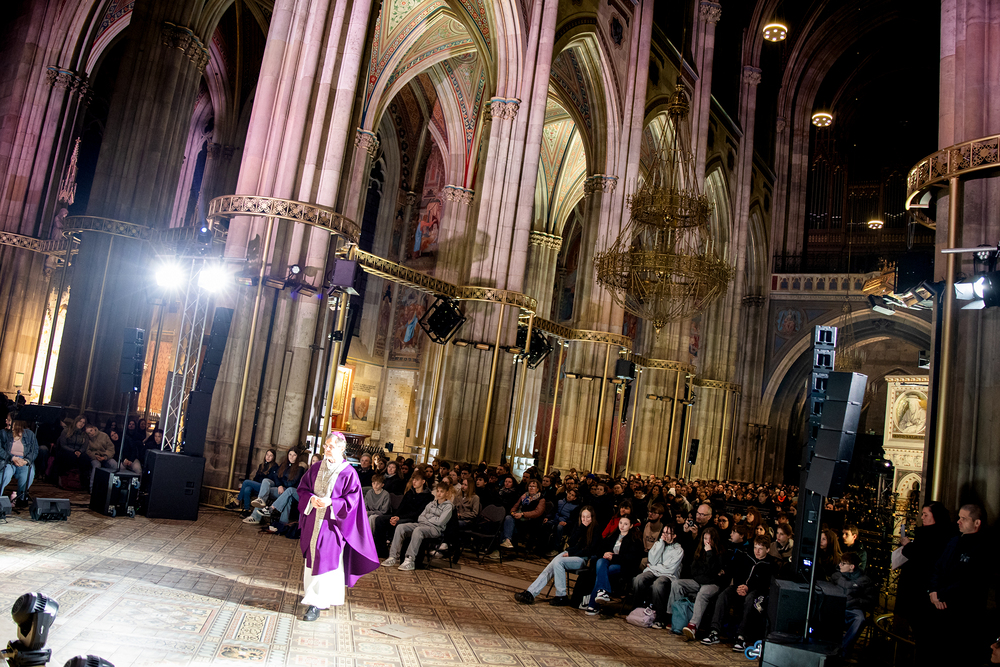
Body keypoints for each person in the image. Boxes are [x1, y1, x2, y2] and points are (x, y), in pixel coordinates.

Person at [296, 431, 379, 621]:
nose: (326, 449)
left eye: (331, 446)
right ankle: (316, 597)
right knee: (313, 559)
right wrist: (311, 499)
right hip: (313, 521)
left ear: (342, 448)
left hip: (332, 525)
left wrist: (331, 503)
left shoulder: (349, 473)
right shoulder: (316, 467)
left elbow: (353, 501)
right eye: (326, 445)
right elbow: (302, 489)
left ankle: (316, 604)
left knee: (324, 559)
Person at [926, 504, 990, 664]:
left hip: (962, 614)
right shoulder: (954, 541)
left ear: (977, 523)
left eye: (963, 518)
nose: (958, 522)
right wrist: (933, 591)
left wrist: (940, 594)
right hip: (939, 608)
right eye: (959, 517)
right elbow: (938, 566)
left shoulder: (983, 548)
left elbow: (969, 581)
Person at [514, 506, 601, 606]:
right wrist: (581, 528)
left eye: (588, 517)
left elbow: (590, 551)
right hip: (570, 553)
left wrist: (571, 553)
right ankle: (530, 593)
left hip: (582, 558)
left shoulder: (596, 529)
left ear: (592, 517)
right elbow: (571, 542)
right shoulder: (579, 526)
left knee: (558, 562)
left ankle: (561, 595)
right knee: (550, 566)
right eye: (583, 517)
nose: (585, 520)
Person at [705, 535, 775, 651]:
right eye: (755, 547)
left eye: (760, 549)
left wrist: (748, 588)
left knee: (751, 599)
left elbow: (764, 583)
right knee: (724, 594)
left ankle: (741, 636)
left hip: (756, 591)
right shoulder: (746, 556)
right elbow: (737, 572)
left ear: (767, 550)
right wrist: (740, 586)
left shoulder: (770, 564)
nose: (757, 551)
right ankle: (714, 631)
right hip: (739, 587)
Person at [896, 501, 953, 634]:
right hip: (915, 588)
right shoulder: (927, 533)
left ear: (936, 516)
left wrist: (908, 546)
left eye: (925, 515)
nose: (922, 517)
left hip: (922, 589)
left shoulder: (938, 536)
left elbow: (923, 557)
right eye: (922, 514)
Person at [381, 479, 454, 571]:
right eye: (438, 491)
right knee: (401, 527)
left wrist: (428, 518)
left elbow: (440, 522)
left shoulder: (448, 506)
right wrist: (432, 518)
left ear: (447, 493)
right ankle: (393, 556)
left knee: (418, 530)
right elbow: (420, 517)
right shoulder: (431, 504)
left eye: (442, 492)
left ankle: (409, 560)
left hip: (435, 529)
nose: (439, 494)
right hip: (422, 524)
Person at [667, 526, 724, 640]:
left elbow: (714, 571)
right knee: (677, 584)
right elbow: (694, 571)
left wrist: (709, 553)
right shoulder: (699, 551)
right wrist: (707, 574)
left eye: (710, 539)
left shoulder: (720, 553)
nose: (707, 542)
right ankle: (674, 617)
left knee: (702, 593)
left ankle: (693, 625)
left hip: (713, 585)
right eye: (705, 538)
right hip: (699, 581)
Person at [583, 515, 642, 616]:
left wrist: (613, 557)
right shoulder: (613, 535)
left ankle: (594, 604)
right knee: (600, 562)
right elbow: (600, 548)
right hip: (608, 562)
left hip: (623, 566)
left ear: (631, 526)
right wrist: (605, 553)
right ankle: (602, 592)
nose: (622, 526)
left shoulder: (634, 540)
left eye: (626, 524)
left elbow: (631, 559)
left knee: (602, 572)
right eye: (621, 523)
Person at [631, 523, 684, 628]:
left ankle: (660, 618)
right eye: (664, 532)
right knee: (639, 579)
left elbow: (669, 569)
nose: (665, 535)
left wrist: (654, 567)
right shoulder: (658, 544)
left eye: (668, 533)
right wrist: (661, 544)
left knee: (658, 585)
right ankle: (636, 611)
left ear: (674, 536)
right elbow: (652, 560)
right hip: (654, 571)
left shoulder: (678, 550)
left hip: (669, 575)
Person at [830, 552, 876, 651]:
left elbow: (870, 600)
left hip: (854, 608)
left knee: (860, 619)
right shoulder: (836, 576)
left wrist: (856, 601)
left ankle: (843, 648)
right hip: (838, 607)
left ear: (852, 566)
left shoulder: (865, 581)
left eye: (843, 563)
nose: (840, 565)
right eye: (840, 562)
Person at [0, 417, 39, 506]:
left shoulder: (29, 434)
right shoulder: (3, 433)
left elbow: (34, 450)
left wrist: (26, 461)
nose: (6, 421)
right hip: (8, 459)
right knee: (6, 473)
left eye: (9, 420)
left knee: (28, 473)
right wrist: (12, 458)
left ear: (16, 422)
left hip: (23, 460)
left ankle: (20, 497)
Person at [500, 479, 547, 550]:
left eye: (533, 486)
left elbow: (537, 512)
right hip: (519, 519)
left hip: (531, 522)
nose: (531, 488)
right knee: (508, 518)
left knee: (507, 526)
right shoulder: (524, 496)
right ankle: (507, 541)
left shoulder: (541, 499)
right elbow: (516, 506)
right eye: (530, 486)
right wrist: (513, 512)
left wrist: (522, 514)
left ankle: (503, 545)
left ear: (538, 489)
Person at [55, 414, 90, 484]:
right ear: (76, 421)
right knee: (70, 456)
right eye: (80, 421)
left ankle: (82, 481)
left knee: (85, 458)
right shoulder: (66, 431)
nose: (81, 424)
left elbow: (84, 446)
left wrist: (79, 451)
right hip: (67, 450)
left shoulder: (84, 434)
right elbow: (63, 445)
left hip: (79, 451)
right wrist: (74, 451)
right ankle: (64, 478)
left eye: (83, 423)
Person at [84, 424, 117, 492]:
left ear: (94, 428)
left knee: (114, 464)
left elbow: (111, 449)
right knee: (96, 466)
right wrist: (95, 455)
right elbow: (87, 451)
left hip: (106, 457)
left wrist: (105, 457)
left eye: (91, 430)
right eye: (88, 433)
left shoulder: (104, 436)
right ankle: (92, 488)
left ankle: (113, 488)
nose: (91, 433)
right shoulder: (87, 439)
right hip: (95, 458)